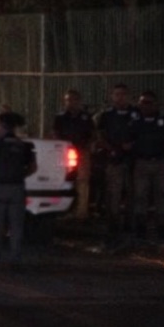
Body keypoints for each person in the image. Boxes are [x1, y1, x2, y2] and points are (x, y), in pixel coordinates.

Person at [0, 112, 37, 269]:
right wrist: (21, 176)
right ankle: (15, 259)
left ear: (3, 125)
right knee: (16, 226)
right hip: (17, 187)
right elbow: (33, 167)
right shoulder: (24, 145)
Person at [127, 90, 164, 240]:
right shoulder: (135, 122)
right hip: (141, 162)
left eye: (148, 103)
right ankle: (140, 228)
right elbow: (128, 142)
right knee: (140, 196)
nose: (144, 106)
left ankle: (162, 228)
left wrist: (161, 149)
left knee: (162, 195)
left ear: (155, 104)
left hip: (160, 162)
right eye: (142, 102)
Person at [94, 83, 138, 244]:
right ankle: (113, 224)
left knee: (133, 193)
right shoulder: (107, 115)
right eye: (117, 94)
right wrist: (111, 148)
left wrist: (133, 145)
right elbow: (99, 135)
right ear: (112, 96)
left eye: (123, 94)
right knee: (114, 193)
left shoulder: (135, 113)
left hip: (133, 159)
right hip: (114, 158)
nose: (120, 98)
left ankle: (129, 223)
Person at [53, 89, 95, 219]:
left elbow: (92, 134)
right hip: (64, 152)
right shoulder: (60, 117)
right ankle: (60, 209)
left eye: (74, 99)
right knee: (62, 180)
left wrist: (87, 147)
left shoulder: (86, 117)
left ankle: (81, 212)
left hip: (81, 151)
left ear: (79, 101)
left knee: (82, 181)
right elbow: (55, 133)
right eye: (68, 100)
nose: (71, 103)